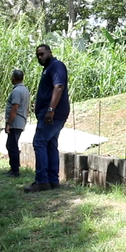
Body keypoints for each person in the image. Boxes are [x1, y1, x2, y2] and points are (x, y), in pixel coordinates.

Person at [25, 44, 70, 192]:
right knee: (50, 144)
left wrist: (51, 110)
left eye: (42, 54)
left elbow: (58, 87)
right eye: (38, 55)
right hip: (52, 113)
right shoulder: (48, 69)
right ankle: (52, 181)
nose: (40, 57)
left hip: (53, 114)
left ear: (50, 52)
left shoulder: (56, 66)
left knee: (39, 142)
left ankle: (42, 181)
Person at [3, 69, 29, 178]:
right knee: (11, 144)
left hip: (15, 121)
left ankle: (15, 170)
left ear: (13, 78)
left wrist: (9, 122)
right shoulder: (25, 90)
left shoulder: (17, 91)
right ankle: (14, 167)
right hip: (20, 120)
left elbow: (14, 108)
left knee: (12, 145)